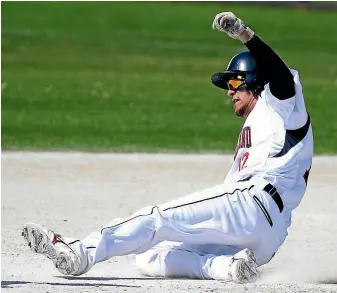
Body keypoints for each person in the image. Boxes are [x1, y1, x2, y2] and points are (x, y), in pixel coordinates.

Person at [22, 12, 313, 283]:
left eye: (235, 81)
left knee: (156, 219)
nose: (230, 91)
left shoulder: (281, 105)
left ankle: (78, 253)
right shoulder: (264, 127)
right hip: (266, 239)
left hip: (252, 204)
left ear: (255, 80)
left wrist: (245, 35)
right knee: (149, 258)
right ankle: (227, 266)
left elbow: (281, 75)